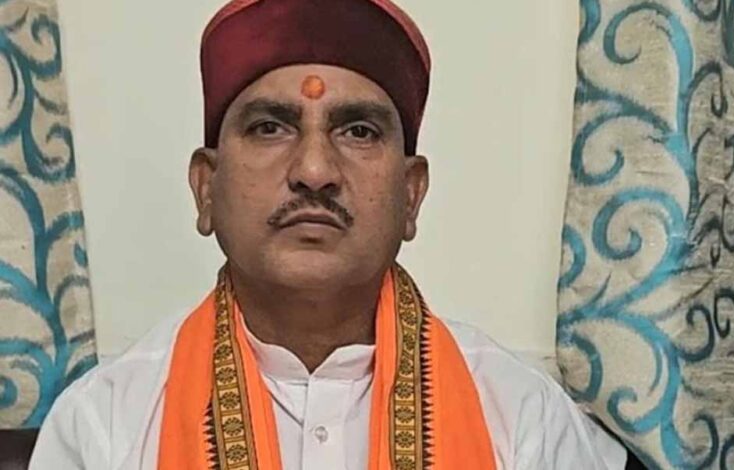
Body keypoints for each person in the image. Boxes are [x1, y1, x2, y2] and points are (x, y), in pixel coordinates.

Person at [30, 0, 627, 468]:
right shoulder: (104, 426)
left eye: (358, 131)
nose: (315, 170)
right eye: (270, 127)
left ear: (411, 195)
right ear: (206, 188)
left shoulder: (522, 418)